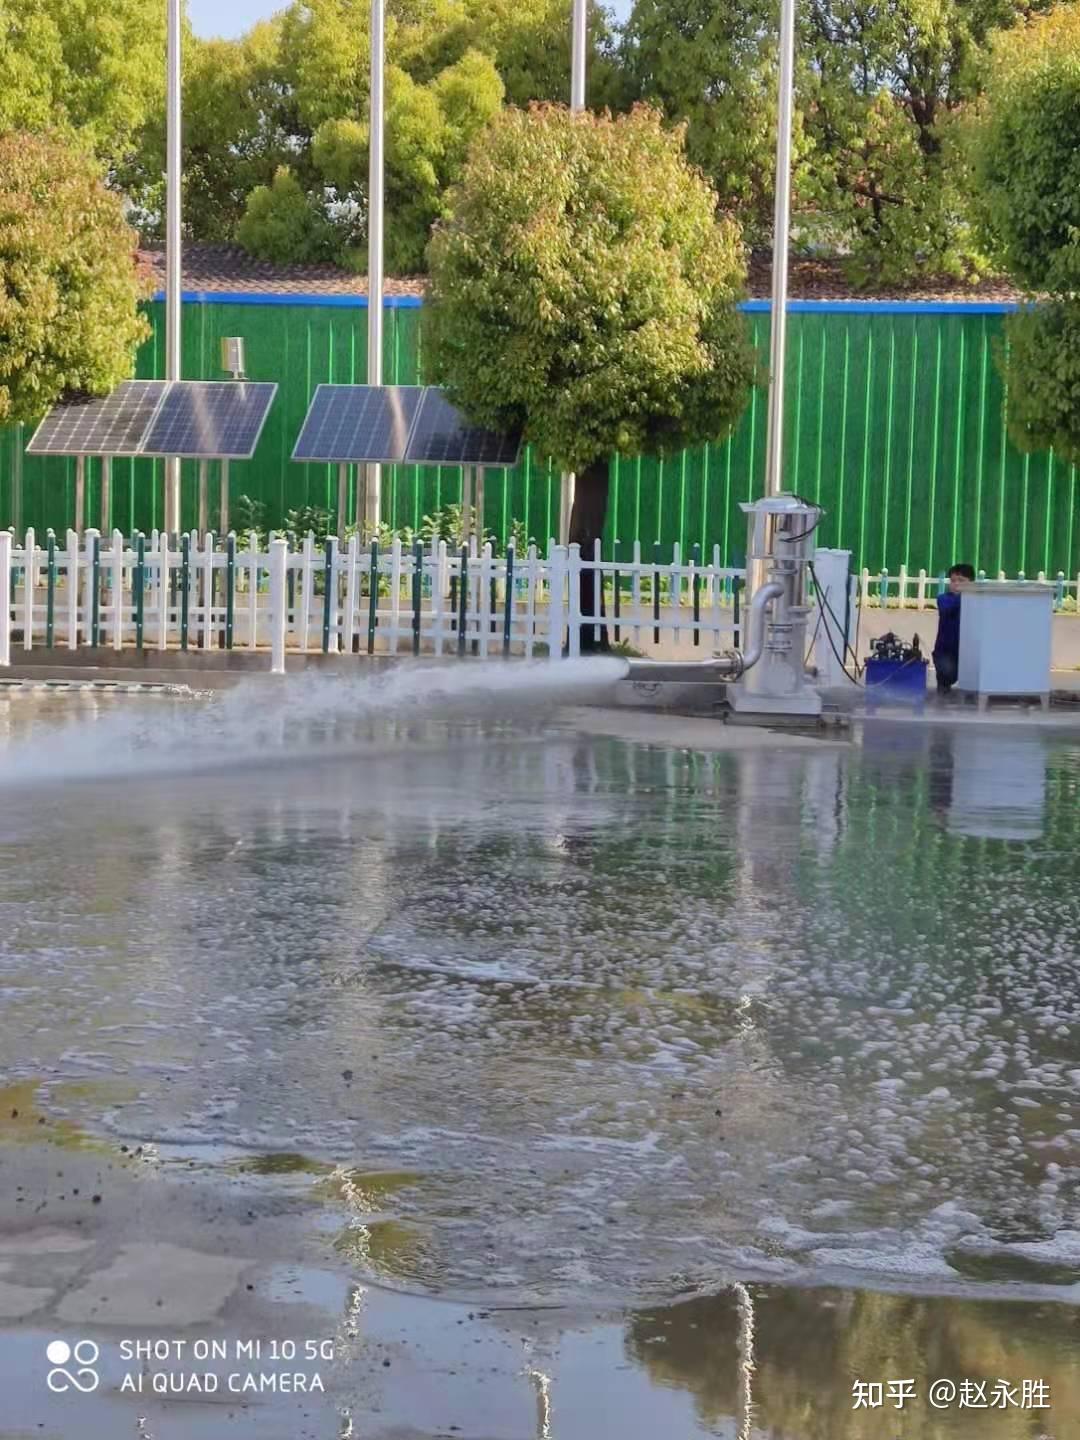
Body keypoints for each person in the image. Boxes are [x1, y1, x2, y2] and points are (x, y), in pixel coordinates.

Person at [933, 563, 975, 693]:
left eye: (961, 581)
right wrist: (966, 594)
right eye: (953, 581)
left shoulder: (976, 601)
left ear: (971, 583)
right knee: (947, 674)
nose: (956, 584)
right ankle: (943, 683)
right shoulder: (943, 599)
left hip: (969, 652)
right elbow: (947, 609)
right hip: (946, 653)